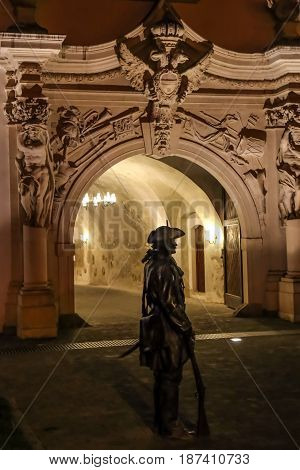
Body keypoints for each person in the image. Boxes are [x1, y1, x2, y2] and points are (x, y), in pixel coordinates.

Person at [140, 224, 196, 439]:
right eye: (172, 239)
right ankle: (170, 425)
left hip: (161, 326)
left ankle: (161, 422)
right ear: (163, 242)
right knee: (171, 377)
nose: (175, 243)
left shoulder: (156, 263)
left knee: (162, 377)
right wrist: (186, 326)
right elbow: (169, 303)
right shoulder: (162, 266)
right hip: (167, 328)